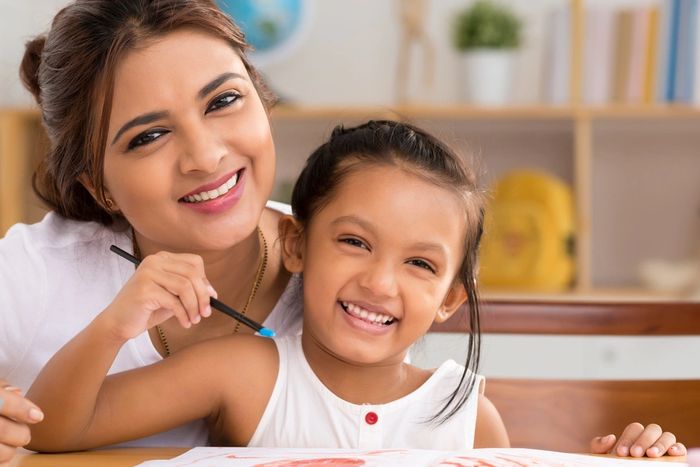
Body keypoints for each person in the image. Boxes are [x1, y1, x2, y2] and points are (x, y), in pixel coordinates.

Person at [25, 121, 686, 457]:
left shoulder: (467, 414)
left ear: (452, 297)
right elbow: (54, 430)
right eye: (355, 242)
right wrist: (117, 322)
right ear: (295, 244)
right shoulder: (243, 372)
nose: (379, 281)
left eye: (421, 265)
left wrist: (620, 465)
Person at [0, 0, 304, 462]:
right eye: (148, 137)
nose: (204, 157)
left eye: (223, 101)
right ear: (99, 186)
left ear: (262, 100)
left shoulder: (345, 256)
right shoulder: (35, 272)